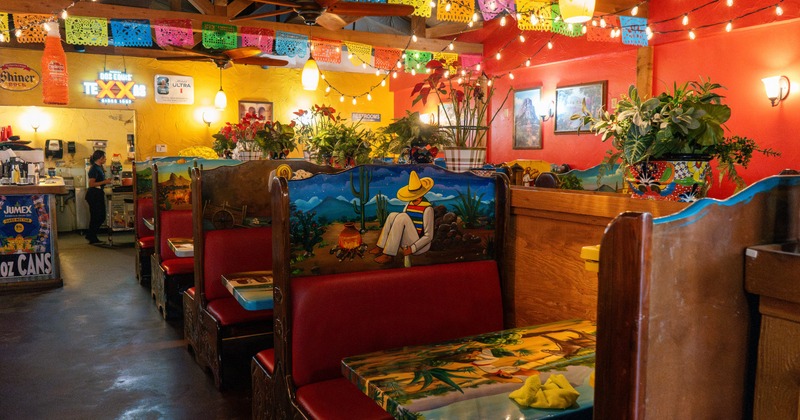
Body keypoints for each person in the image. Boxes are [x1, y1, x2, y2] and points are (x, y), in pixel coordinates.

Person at [370, 170, 435, 264]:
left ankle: (389, 254)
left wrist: (413, 248)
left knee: (403, 216)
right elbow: (402, 223)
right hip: (409, 239)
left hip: (420, 245)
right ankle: (381, 246)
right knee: (393, 215)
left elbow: (428, 236)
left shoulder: (427, 209)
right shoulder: (409, 204)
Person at [85, 150, 112, 244]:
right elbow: (91, 184)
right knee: (98, 216)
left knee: (99, 216)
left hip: (98, 193)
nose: (105, 159)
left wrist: (106, 181)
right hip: (94, 194)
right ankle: (91, 236)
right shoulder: (94, 169)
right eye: (104, 157)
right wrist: (105, 182)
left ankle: (91, 235)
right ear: (100, 158)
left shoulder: (99, 167)